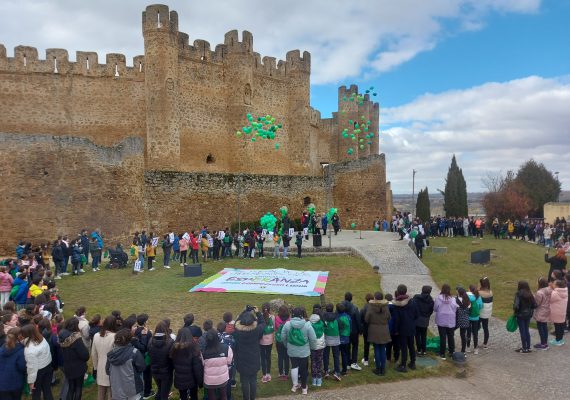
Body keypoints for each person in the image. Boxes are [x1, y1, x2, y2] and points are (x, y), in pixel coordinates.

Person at [281, 307, 317, 395]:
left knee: (294, 366)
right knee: (304, 369)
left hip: (292, 351)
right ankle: (304, 388)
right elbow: (313, 339)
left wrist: (287, 346)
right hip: (304, 352)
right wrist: (312, 348)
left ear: (292, 314)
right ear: (302, 314)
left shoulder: (287, 324)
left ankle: (295, 385)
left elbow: (283, 337)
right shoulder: (307, 325)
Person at [233, 307, 265, 400]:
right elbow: (263, 323)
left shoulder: (237, 331)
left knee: (244, 381)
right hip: (253, 359)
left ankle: (246, 398)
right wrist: (258, 313)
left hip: (242, 359)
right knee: (253, 380)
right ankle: (252, 398)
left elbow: (236, 321)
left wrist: (244, 311)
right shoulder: (256, 330)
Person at [106, 329, 146, 400]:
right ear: (129, 339)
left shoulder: (111, 354)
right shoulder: (134, 353)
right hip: (133, 390)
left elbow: (107, 371)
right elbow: (142, 368)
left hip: (117, 390)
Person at [59, 317, 90, 400]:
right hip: (78, 368)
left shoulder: (61, 334)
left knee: (71, 387)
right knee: (78, 388)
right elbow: (85, 355)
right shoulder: (76, 339)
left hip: (67, 366)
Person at [21, 323, 54, 400]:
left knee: (36, 393)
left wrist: (31, 382)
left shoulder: (29, 350)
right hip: (48, 366)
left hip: (38, 372)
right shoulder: (42, 338)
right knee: (47, 389)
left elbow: (32, 367)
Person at [170, 328, 203, 400]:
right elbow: (197, 368)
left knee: (183, 396)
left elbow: (172, 364)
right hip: (192, 379)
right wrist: (200, 382)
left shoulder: (173, 348)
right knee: (194, 396)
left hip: (179, 378)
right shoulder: (193, 348)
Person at [392, 284, 418, 372]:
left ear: (398, 292)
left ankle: (403, 365)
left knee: (404, 347)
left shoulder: (397, 305)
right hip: (411, 327)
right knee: (411, 345)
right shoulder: (413, 302)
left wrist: (395, 330)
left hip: (402, 329)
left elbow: (396, 319)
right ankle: (412, 363)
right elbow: (416, 315)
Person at [365, 291, 391, 376]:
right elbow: (389, 317)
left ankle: (378, 369)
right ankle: (382, 369)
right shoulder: (386, 306)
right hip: (384, 330)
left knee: (377, 349)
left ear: (375, 298)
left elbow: (366, 319)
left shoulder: (371, 307)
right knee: (382, 349)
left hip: (374, 330)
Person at [202, 329, 232, 400]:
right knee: (223, 395)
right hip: (223, 378)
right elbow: (229, 361)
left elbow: (203, 364)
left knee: (211, 396)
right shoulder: (226, 348)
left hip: (209, 380)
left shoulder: (203, 351)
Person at [92, 316, 117, 400]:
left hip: (101, 367)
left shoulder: (96, 336)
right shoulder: (115, 337)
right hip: (111, 368)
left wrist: (95, 368)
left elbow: (93, 354)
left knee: (101, 393)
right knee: (112, 393)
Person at [148, 322, 174, 400]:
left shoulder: (150, 341)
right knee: (164, 394)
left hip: (155, 371)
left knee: (161, 390)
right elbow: (172, 358)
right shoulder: (170, 341)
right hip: (166, 372)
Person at [0, 327, 26, 400]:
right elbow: (22, 367)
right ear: (20, 337)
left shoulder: (1, 348)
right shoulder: (21, 351)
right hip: (15, 383)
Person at [434, 284, 458, 360]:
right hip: (450, 320)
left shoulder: (438, 298)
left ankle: (442, 353)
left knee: (442, 337)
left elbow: (435, 308)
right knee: (451, 336)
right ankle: (451, 352)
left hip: (441, 319)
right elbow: (455, 309)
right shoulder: (453, 299)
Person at [513, 281, 537, 353]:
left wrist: (515, 310)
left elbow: (516, 306)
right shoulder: (530, 294)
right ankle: (528, 347)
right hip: (528, 315)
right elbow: (535, 305)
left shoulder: (518, 294)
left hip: (520, 315)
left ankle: (524, 348)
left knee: (522, 331)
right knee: (526, 330)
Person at [341, 292, 362, 371]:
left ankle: (348, 363)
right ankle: (353, 362)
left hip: (345, 331)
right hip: (353, 331)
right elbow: (358, 320)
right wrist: (360, 330)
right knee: (354, 346)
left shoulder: (341, 307)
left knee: (347, 346)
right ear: (351, 298)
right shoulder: (355, 308)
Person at [322, 303, 342, 381]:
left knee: (326, 355)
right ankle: (337, 372)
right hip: (335, 339)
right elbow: (341, 326)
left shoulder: (323, 318)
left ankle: (326, 371)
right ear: (333, 309)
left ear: (326, 309)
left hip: (326, 338)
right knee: (336, 356)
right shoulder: (337, 317)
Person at [413, 285, 433, 356]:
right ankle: (424, 350)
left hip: (417, 319)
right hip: (425, 319)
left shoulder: (416, 297)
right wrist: (427, 316)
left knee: (417, 335)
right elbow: (431, 310)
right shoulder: (430, 299)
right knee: (424, 335)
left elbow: (413, 307)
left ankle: (419, 350)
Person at [308, 304, 325, 387]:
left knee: (313, 361)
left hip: (312, 345)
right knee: (319, 361)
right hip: (320, 345)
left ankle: (314, 379)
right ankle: (319, 379)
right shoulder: (322, 323)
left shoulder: (308, 323)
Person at [533, 277, 552, 350]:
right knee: (544, 326)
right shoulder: (549, 290)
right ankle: (545, 343)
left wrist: (533, 297)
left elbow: (537, 303)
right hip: (547, 310)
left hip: (541, 311)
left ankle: (543, 344)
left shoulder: (539, 292)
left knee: (541, 328)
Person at [549, 279, 568, 346]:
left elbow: (549, 299)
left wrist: (550, 288)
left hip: (556, 313)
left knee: (557, 326)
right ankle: (560, 339)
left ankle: (557, 340)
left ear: (557, 285)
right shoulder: (565, 291)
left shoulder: (555, 293)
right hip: (562, 312)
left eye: (554, 283)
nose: (552, 284)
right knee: (561, 326)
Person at [259, 303, 274, 383]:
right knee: (268, 357)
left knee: (263, 357)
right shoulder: (273, 317)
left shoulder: (259, 317)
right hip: (270, 341)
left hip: (261, 340)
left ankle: (264, 375)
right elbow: (274, 327)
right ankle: (268, 374)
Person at [466, 285, 483, 355]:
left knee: (468, 332)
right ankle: (476, 349)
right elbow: (481, 306)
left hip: (468, 317)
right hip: (476, 317)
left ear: (469, 290)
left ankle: (468, 347)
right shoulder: (478, 297)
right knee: (475, 333)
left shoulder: (468, 297)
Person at [274, 306, 290, 380]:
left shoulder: (276, 318)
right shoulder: (289, 319)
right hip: (287, 340)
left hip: (279, 340)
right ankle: (286, 373)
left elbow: (276, 328)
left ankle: (281, 373)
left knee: (280, 356)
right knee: (286, 357)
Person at [478, 277, 493, 349]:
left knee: (475, 327)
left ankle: (474, 341)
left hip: (480, 313)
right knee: (485, 328)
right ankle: (485, 343)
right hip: (487, 313)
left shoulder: (480, 293)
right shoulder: (490, 292)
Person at [359, 293, 374, 367]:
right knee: (375, 343)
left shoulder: (363, 309)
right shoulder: (376, 307)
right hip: (374, 329)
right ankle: (375, 358)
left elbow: (361, 320)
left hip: (366, 329)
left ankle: (366, 360)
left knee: (366, 344)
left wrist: (361, 330)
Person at [455, 287, 471, 354]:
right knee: (463, 335)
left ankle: (450, 347)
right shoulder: (468, 301)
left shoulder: (456, 300)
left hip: (457, 319)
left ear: (458, 293)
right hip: (465, 320)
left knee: (449, 333)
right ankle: (463, 350)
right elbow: (469, 310)